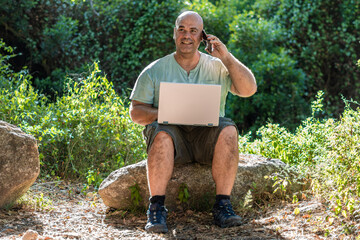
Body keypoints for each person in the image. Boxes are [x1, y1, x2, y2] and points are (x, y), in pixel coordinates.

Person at [129, 11, 257, 233]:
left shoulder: (218, 66)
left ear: (202, 37)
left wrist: (225, 56)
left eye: (193, 31)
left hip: (205, 140)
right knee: (159, 132)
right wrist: (166, 111)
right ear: (174, 33)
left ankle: (223, 205)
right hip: (172, 141)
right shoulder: (155, 70)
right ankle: (157, 207)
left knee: (228, 128)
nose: (186, 35)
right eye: (181, 29)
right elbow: (136, 113)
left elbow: (249, 89)